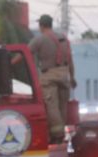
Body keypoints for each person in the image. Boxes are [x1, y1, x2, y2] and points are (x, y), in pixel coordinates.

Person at [28, 14, 76, 143]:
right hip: (64, 74)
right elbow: (70, 60)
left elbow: (25, 53)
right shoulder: (63, 39)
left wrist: (9, 63)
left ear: (41, 25)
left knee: (51, 105)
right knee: (63, 106)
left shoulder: (39, 40)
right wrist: (72, 77)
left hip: (48, 75)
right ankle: (62, 133)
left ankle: (57, 135)